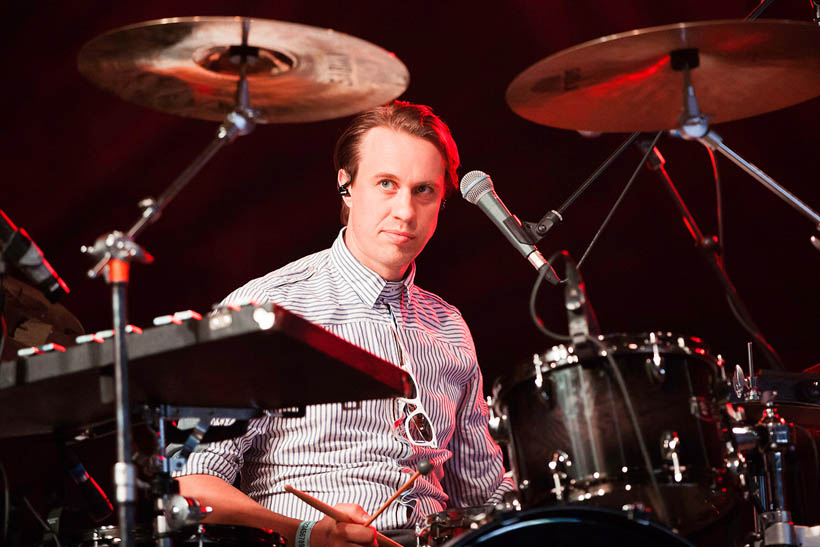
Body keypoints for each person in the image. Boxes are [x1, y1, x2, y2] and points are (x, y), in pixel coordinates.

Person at [175, 101, 512, 547]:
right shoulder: (266, 308)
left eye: (423, 190)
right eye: (387, 184)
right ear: (346, 186)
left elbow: (482, 498)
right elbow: (192, 485)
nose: (405, 211)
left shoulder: (449, 326)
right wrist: (305, 533)